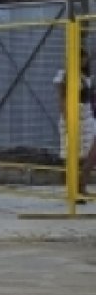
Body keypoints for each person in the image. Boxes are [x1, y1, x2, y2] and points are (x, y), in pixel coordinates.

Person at [55, 50, 96, 198]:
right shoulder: (64, 75)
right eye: (81, 59)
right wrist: (67, 118)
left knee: (90, 152)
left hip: (87, 116)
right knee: (71, 153)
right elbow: (61, 98)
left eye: (85, 59)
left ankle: (82, 184)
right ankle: (72, 189)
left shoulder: (85, 76)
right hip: (73, 116)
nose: (84, 62)